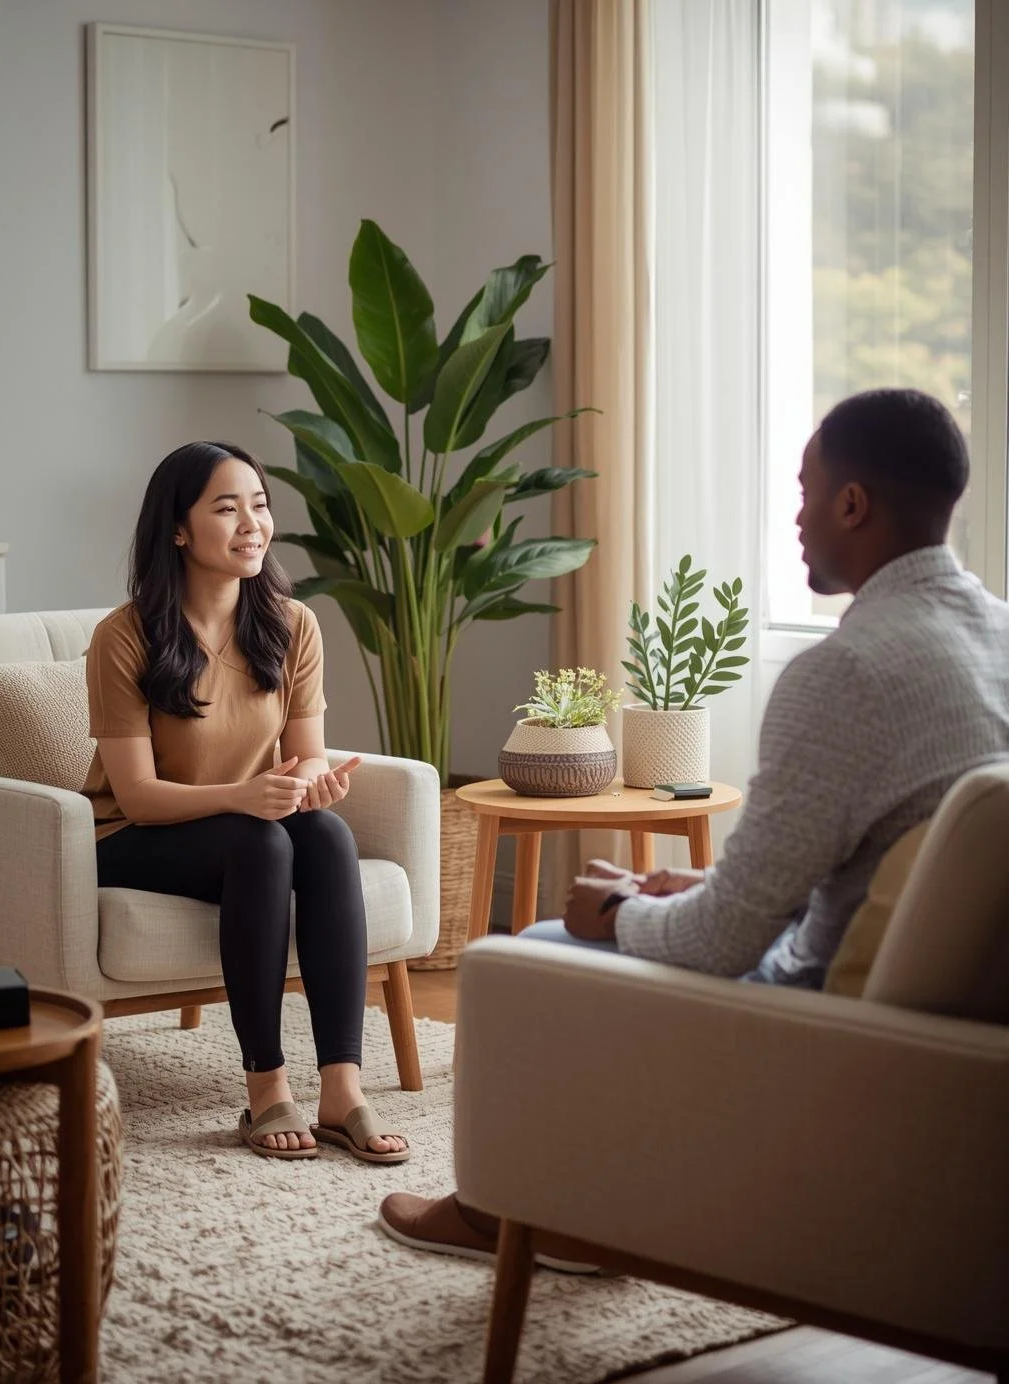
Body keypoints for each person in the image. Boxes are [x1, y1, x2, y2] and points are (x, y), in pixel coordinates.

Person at [378, 386, 1009, 1256]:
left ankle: (511, 1212)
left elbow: (722, 948)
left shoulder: (847, 672)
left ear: (853, 504)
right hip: (955, 1025)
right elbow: (892, 872)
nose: (796, 516)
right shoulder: (999, 639)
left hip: (820, 1023)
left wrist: (626, 912)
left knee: (522, 953)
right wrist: (701, 883)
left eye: (804, 490)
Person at [82, 440, 409, 1163]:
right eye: (226, 509)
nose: (251, 524)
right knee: (260, 840)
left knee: (323, 835)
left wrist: (312, 781)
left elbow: (306, 749)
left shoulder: (292, 625)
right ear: (177, 528)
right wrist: (248, 796)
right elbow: (136, 794)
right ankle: (266, 1087)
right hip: (133, 834)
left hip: (245, 820)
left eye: (259, 506)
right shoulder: (124, 637)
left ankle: (341, 1088)